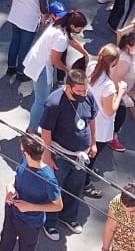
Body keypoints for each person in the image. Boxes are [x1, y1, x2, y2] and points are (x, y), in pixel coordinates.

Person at [38, 68, 98, 240]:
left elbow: (92, 119)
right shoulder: (54, 103)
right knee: (54, 188)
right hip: (60, 153)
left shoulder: (88, 96)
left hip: (81, 155)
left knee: (74, 188)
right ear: (68, 87)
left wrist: (93, 142)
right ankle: (49, 222)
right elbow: (46, 131)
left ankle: (68, 217)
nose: (83, 94)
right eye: (79, 91)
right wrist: (47, 156)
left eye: (85, 90)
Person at [0, 135, 62, 251]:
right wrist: (10, 187)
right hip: (12, 211)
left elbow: (58, 205)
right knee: (5, 245)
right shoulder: (25, 160)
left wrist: (30, 206)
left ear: (26, 152)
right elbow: (16, 177)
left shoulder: (48, 178)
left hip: (30, 222)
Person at [5, 0, 52, 80]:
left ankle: (11, 67)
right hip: (30, 19)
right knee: (25, 46)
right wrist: (43, 19)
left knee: (14, 42)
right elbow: (44, 7)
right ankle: (21, 71)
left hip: (15, 14)